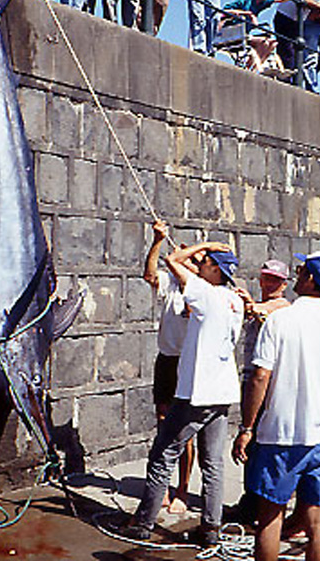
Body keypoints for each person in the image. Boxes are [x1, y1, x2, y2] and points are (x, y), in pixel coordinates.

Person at [232, 250, 320, 561]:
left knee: (269, 518)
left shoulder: (280, 320)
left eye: (301, 270)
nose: (296, 274)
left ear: (309, 280)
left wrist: (246, 427)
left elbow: (259, 377)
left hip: (280, 437)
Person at [122, 242, 244, 550]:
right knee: (213, 462)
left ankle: (144, 524)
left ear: (215, 269)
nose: (200, 263)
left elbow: (172, 259)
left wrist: (205, 245)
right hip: (222, 391)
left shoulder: (205, 293)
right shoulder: (235, 299)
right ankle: (211, 528)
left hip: (197, 393)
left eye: (206, 262)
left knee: (162, 454)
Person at [227, 260, 290, 525]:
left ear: (284, 284)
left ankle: (259, 503)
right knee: (252, 446)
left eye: (275, 279)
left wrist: (249, 304)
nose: (269, 283)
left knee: (258, 439)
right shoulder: (261, 304)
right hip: (251, 377)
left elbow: (263, 311)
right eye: (266, 278)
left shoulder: (284, 307)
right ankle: (250, 500)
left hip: (267, 383)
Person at [143, 219, 195, 514]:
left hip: (189, 364)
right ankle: (161, 485)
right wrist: (158, 240)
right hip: (166, 361)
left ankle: (183, 489)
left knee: (184, 430)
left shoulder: (202, 288)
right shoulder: (170, 283)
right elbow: (150, 274)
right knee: (164, 424)